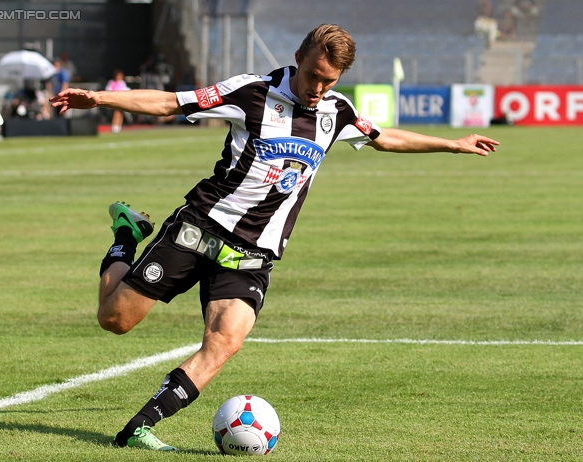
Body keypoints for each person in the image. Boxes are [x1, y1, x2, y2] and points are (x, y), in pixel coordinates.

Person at [51, 24, 499, 452]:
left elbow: (384, 138)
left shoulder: (336, 111)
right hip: (201, 229)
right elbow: (171, 102)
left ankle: (140, 428)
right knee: (115, 319)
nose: (318, 89)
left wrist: (453, 144)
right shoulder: (251, 92)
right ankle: (126, 234)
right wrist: (100, 98)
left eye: (329, 81)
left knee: (224, 341)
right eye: (313, 77)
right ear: (299, 58)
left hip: (253, 251)